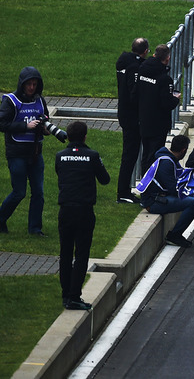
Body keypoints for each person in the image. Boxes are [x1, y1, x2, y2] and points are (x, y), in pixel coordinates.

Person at [0, 67, 65, 235]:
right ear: (22, 84)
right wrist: (25, 126)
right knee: (19, 192)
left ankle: (35, 229)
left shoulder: (39, 100)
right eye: (28, 84)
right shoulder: (10, 100)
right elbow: (2, 124)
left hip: (36, 152)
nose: (31, 88)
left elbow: (44, 122)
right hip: (16, 153)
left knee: (39, 193)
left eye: (34, 84)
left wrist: (45, 130)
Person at [55, 121, 110, 310]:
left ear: (68, 136)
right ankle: (74, 296)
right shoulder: (92, 156)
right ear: (85, 136)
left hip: (65, 210)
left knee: (65, 253)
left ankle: (65, 295)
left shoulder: (60, 156)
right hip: (84, 210)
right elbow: (105, 180)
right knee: (81, 254)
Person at [135, 135, 194, 248]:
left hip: (159, 197)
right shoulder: (167, 163)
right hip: (154, 202)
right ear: (184, 150)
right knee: (193, 202)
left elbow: (181, 178)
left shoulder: (169, 158)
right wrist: (192, 192)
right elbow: (174, 189)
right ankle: (174, 236)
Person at [136, 44, 180, 170]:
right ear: (167, 59)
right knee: (154, 155)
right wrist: (175, 99)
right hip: (158, 124)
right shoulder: (165, 80)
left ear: (154, 55)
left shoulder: (142, 70)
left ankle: (144, 181)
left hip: (144, 119)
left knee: (146, 154)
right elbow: (166, 103)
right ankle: (151, 184)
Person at [115, 37, 149, 203]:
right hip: (132, 117)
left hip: (125, 114)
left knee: (129, 154)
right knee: (130, 155)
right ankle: (122, 192)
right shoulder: (135, 68)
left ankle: (124, 190)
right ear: (145, 51)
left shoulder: (124, 63)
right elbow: (133, 93)